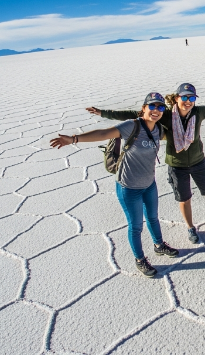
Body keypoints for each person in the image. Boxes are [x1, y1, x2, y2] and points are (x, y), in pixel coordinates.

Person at [88, 83, 205, 244]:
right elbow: (133, 114)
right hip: (177, 166)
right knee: (184, 199)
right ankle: (190, 227)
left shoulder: (198, 113)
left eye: (191, 98)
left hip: (198, 162)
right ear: (177, 98)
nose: (188, 101)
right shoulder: (166, 115)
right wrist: (103, 113)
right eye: (184, 97)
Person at [51, 92, 179, 277]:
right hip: (128, 187)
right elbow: (104, 133)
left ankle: (159, 245)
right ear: (143, 108)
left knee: (153, 218)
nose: (156, 110)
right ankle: (140, 260)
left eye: (160, 107)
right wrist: (74, 139)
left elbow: (177, 133)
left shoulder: (159, 130)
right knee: (136, 226)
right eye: (152, 106)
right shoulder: (132, 126)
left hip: (149, 184)